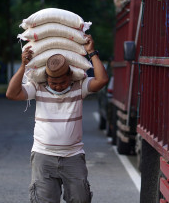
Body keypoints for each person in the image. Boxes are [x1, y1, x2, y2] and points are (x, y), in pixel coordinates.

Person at [6, 35, 108, 203]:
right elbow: (11, 94)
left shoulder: (79, 86)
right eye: (54, 82)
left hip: (73, 156)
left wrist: (91, 52)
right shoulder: (37, 87)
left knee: (81, 199)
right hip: (43, 156)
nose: (58, 85)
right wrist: (24, 65)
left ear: (70, 76)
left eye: (62, 81)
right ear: (46, 78)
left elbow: (102, 80)